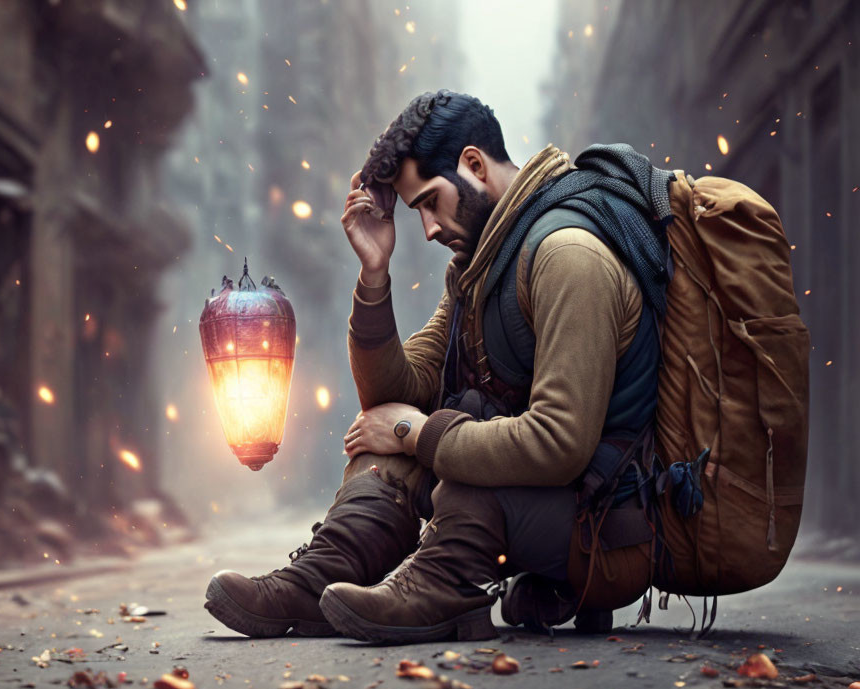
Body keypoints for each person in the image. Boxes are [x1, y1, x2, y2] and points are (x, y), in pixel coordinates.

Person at [204, 90, 673, 644]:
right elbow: (400, 392)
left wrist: (415, 432)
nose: (427, 229)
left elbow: (558, 443)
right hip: (547, 504)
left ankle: (443, 591)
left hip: (606, 527)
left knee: (424, 445)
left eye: (430, 201)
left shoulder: (567, 255)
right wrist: (374, 273)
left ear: (473, 165)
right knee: (382, 444)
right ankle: (318, 581)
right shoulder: (488, 261)